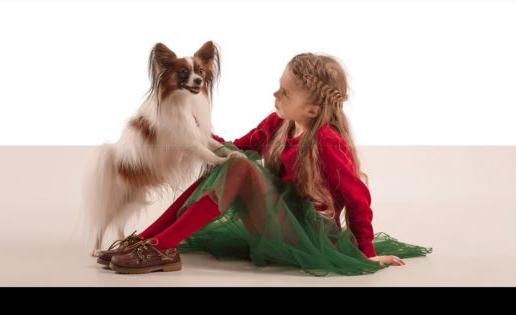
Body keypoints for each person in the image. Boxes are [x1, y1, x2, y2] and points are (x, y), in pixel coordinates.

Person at [98, 53, 432, 276]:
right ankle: (149, 239)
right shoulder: (280, 122)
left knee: (238, 166)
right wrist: (192, 132)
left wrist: (366, 251)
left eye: (286, 93)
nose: (276, 95)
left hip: (305, 236)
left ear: (313, 110)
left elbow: (358, 197)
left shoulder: (326, 142)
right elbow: (235, 149)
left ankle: (161, 247)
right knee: (230, 161)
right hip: (275, 222)